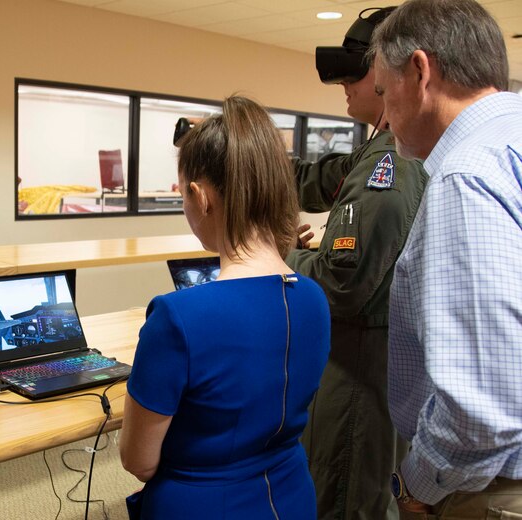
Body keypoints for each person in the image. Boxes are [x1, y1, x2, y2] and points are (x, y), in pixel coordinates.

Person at [119, 95, 331, 519]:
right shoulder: (313, 297)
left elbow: (138, 461)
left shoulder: (178, 318)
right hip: (292, 495)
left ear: (200, 196)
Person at [369, 0, 522, 516]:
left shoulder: (467, 179)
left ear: (419, 71)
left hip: (494, 486)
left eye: (385, 94)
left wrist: (417, 485)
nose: (384, 116)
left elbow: (480, 412)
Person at [286, 8, 429, 519]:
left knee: (345, 497)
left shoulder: (393, 158)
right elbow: (316, 178)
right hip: (376, 360)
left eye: (355, 74)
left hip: (363, 364)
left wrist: (284, 254)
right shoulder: (381, 149)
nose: (344, 86)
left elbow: (342, 283)